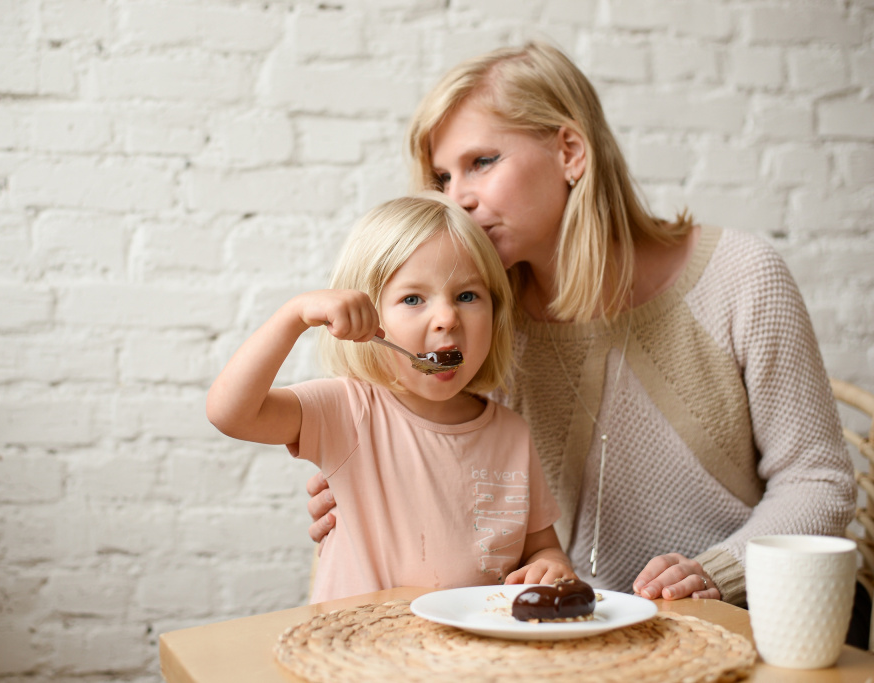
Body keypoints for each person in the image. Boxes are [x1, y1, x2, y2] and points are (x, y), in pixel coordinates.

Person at [305, 41, 856, 609]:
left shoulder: (742, 277)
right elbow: (444, 464)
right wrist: (366, 486)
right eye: (442, 177)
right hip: (563, 636)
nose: (458, 198)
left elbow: (819, 483)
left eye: (481, 162)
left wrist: (719, 572)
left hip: (736, 623)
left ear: (570, 151)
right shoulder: (476, 321)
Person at [207, 192, 575, 603]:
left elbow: (541, 546)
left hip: (471, 657)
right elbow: (230, 413)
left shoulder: (512, 433)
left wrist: (551, 564)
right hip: (361, 651)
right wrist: (293, 317)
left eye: (467, 296)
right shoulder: (348, 411)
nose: (447, 318)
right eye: (413, 299)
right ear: (368, 320)